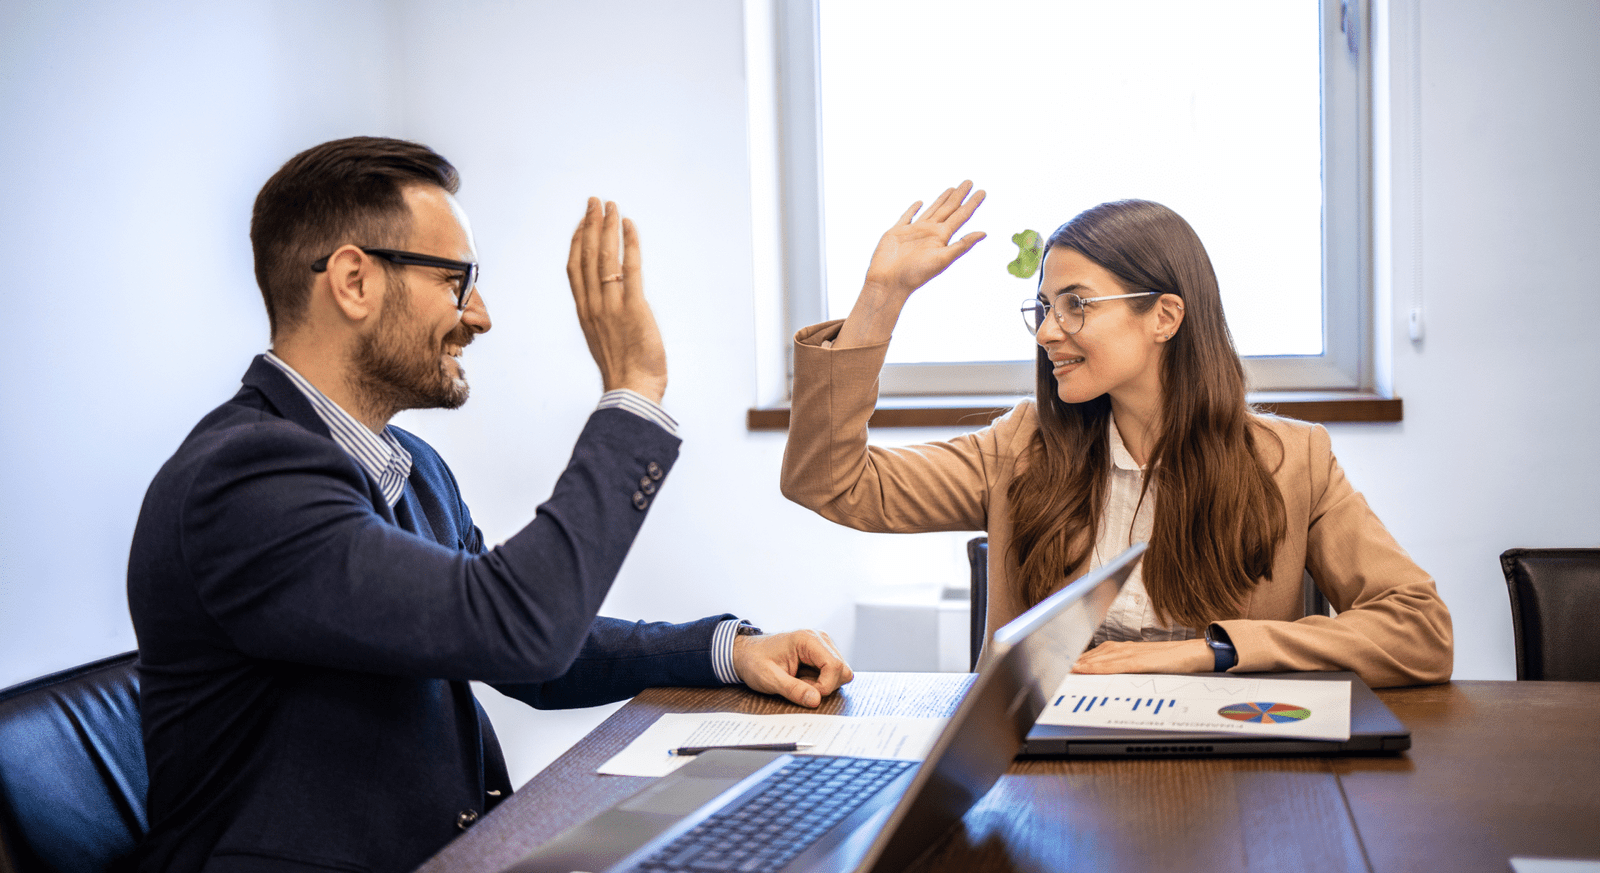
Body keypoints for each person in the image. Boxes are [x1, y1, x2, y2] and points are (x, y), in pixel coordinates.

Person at [126, 136, 851, 873]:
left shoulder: (413, 469)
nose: (481, 316)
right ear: (353, 281)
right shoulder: (244, 479)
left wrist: (727, 651)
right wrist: (632, 391)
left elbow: (530, 652)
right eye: (458, 282)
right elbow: (517, 627)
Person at [781, 183, 1451, 688]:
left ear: (1165, 315)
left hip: (1232, 773)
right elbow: (831, 484)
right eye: (1044, 308)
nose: (1048, 330)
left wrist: (1210, 649)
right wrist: (880, 299)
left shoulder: (1294, 460)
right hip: (1050, 775)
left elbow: (1419, 630)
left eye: (1076, 304)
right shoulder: (1019, 450)